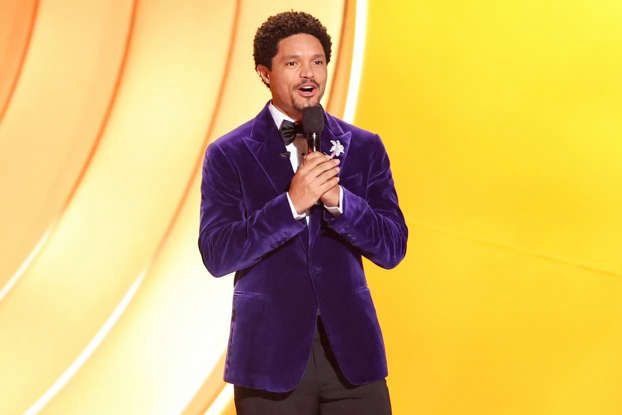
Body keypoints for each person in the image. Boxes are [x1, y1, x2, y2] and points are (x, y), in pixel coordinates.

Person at [198, 11, 407, 414]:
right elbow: (218, 253)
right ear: (264, 72)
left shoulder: (364, 147)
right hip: (268, 362)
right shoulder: (228, 154)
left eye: (317, 61)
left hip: (353, 362)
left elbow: (392, 247)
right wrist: (291, 205)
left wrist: (340, 202)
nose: (308, 73)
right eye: (292, 63)